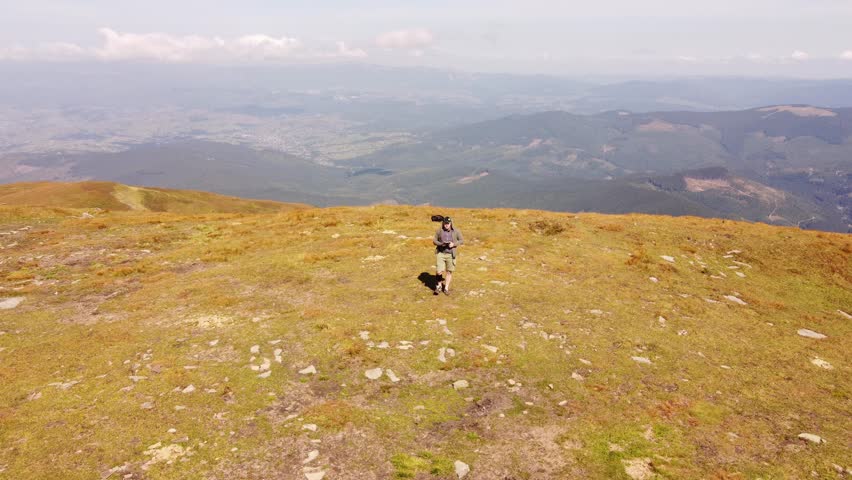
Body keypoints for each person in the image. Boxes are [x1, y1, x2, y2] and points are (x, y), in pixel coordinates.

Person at [432, 216, 463, 295]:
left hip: (451, 254)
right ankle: (439, 286)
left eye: (448, 223)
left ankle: (446, 288)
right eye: (445, 223)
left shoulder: (456, 231)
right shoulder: (439, 231)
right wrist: (440, 244)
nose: (446, 225)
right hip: (441, 253)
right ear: (443, 223)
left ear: (450, 223)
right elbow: (434, 241)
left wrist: (454, 244)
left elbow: (461, 240)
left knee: (449, 271)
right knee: (439, 271)